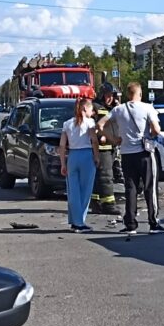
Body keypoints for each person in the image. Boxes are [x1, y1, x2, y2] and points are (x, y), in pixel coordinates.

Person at [98, 82, 164, 235]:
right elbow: (156, 129)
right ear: (140, 93)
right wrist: (150, 136)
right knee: (150, 188)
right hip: (145, 154)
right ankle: (153, 223)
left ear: (128, 94)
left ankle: (130, 224)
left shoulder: (118, 110)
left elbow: (100, 125)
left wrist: (113, 139)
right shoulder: (148, 108)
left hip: (126, 154)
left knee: (130, 189)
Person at [59, 97, 100, 233]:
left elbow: (62, 145)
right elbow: (94, 141)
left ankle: (74, 220)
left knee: (73, 191)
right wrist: (97, 156)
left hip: (73, 156)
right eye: (90, 109)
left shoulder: (67, 124)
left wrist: (63, 164)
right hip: (87, 156)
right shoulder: (90, 123)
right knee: (85, 191)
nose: (92, 112)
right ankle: (79, 222)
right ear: (84, 109)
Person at [90, 83, 121, 216]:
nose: (110, 98)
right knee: (106, 177)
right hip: (102, 147)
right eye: (108, 95)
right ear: (102, 95)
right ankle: (109, 204)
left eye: (112, 96)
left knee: (99, 177)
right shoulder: (95, 107)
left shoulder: (115, 108)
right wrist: (99, 136)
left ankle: (96, 203)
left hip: (112, 147)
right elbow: (91, 126)